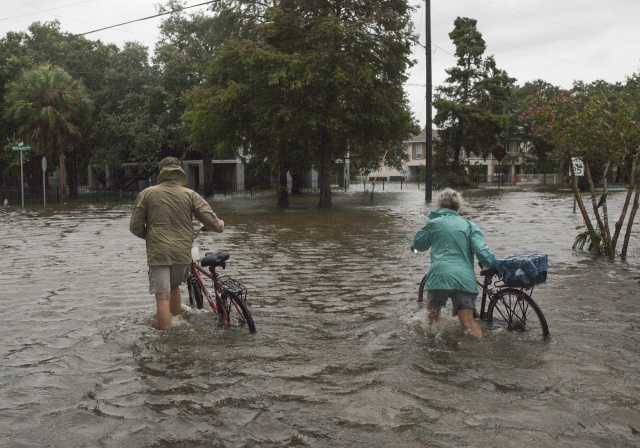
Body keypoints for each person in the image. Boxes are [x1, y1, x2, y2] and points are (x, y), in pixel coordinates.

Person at [130, 157, 225, 330]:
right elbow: (211, 220)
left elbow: (135, 227)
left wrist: (152, 237)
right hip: (182, 252)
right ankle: (177, 331)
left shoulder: (147, 193)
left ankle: (166, 340)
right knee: (174, 288)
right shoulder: (190, 194)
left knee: (162, 298)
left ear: (160, 173)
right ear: (180, 171)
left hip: (158, 252)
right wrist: (220, 226)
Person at [412, 188, 496, 339]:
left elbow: (418, 245)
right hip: (464, 279)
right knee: (469, 323)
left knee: (431, 322)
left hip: (440, 277)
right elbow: (482, 252)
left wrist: (414, 249)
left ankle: (431, 354)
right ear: (458, 206)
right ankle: (481, 352)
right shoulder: (469, 225)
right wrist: (493, 263)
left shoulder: (433, 223)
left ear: (439, 205)